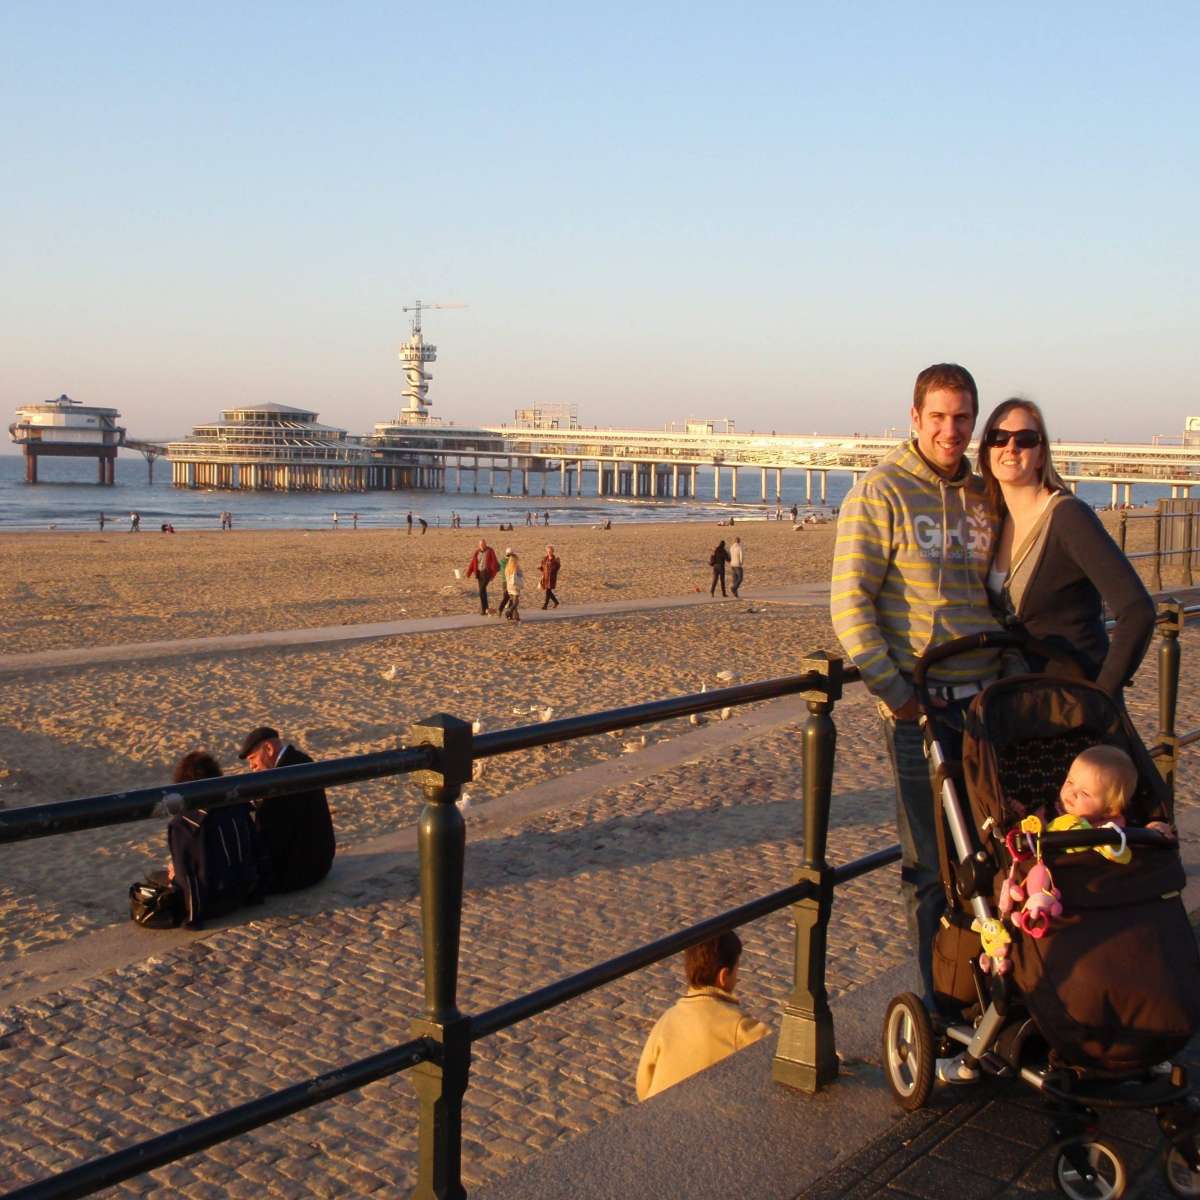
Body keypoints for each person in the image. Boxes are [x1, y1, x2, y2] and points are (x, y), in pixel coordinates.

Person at [831, 363, 1000, 1015]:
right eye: (938, 417)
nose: (950, 431)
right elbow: (850, 605)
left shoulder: (984, 494)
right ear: (914, 418)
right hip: (921, 710)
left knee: (993, 854)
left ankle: (994, 989)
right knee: (930, 867)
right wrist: (896, 693)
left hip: (988, 704)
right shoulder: (880, 492)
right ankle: (943, 1003)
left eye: (962, 418)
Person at [977, 398, 1155, 697]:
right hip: (1021, 704)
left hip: (1073, 704)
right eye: (998, 438)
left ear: (1040, 455)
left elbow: (1138, 611)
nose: (1011, 447)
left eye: (1025, 439)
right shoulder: (995, 521)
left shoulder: (1069, 517)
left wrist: (1102, 695)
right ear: (986, 452)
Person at [635, 930, 768, 1102]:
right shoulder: (739, 1025)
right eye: (736, 970)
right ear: (723, 976)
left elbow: (643, 1085)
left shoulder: (667, 1018)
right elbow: (775, 1057)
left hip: (660, 1111)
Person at [238, 726, 335, 893]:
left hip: (295, 873)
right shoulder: (300, 761)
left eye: (253, 758)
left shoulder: (282, 778)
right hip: (320, 863)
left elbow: (271, 834)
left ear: (268, 749)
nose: (252, 766)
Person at [466, 539, 500, 615]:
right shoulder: (477, 552)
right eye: (480, 545)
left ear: (485, 544)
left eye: (483, 544)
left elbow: (495, 562)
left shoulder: (490, 551)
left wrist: (493, 575)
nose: (481, 546)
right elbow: (473, 562)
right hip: (479, 573)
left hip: (486, 573)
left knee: (481, 590)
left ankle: (485, 609)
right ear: (479, 545)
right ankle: (485, 609)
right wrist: (469, 572)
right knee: (482, 591)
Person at [504, 551, 525, 622]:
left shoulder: (507, 567)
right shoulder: (516, 567)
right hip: (515, 586)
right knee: (516, 602)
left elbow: (506, 577)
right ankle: (509, 612)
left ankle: (516, 616)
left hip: (509, 586)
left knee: (513, 601)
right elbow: (521, 575)